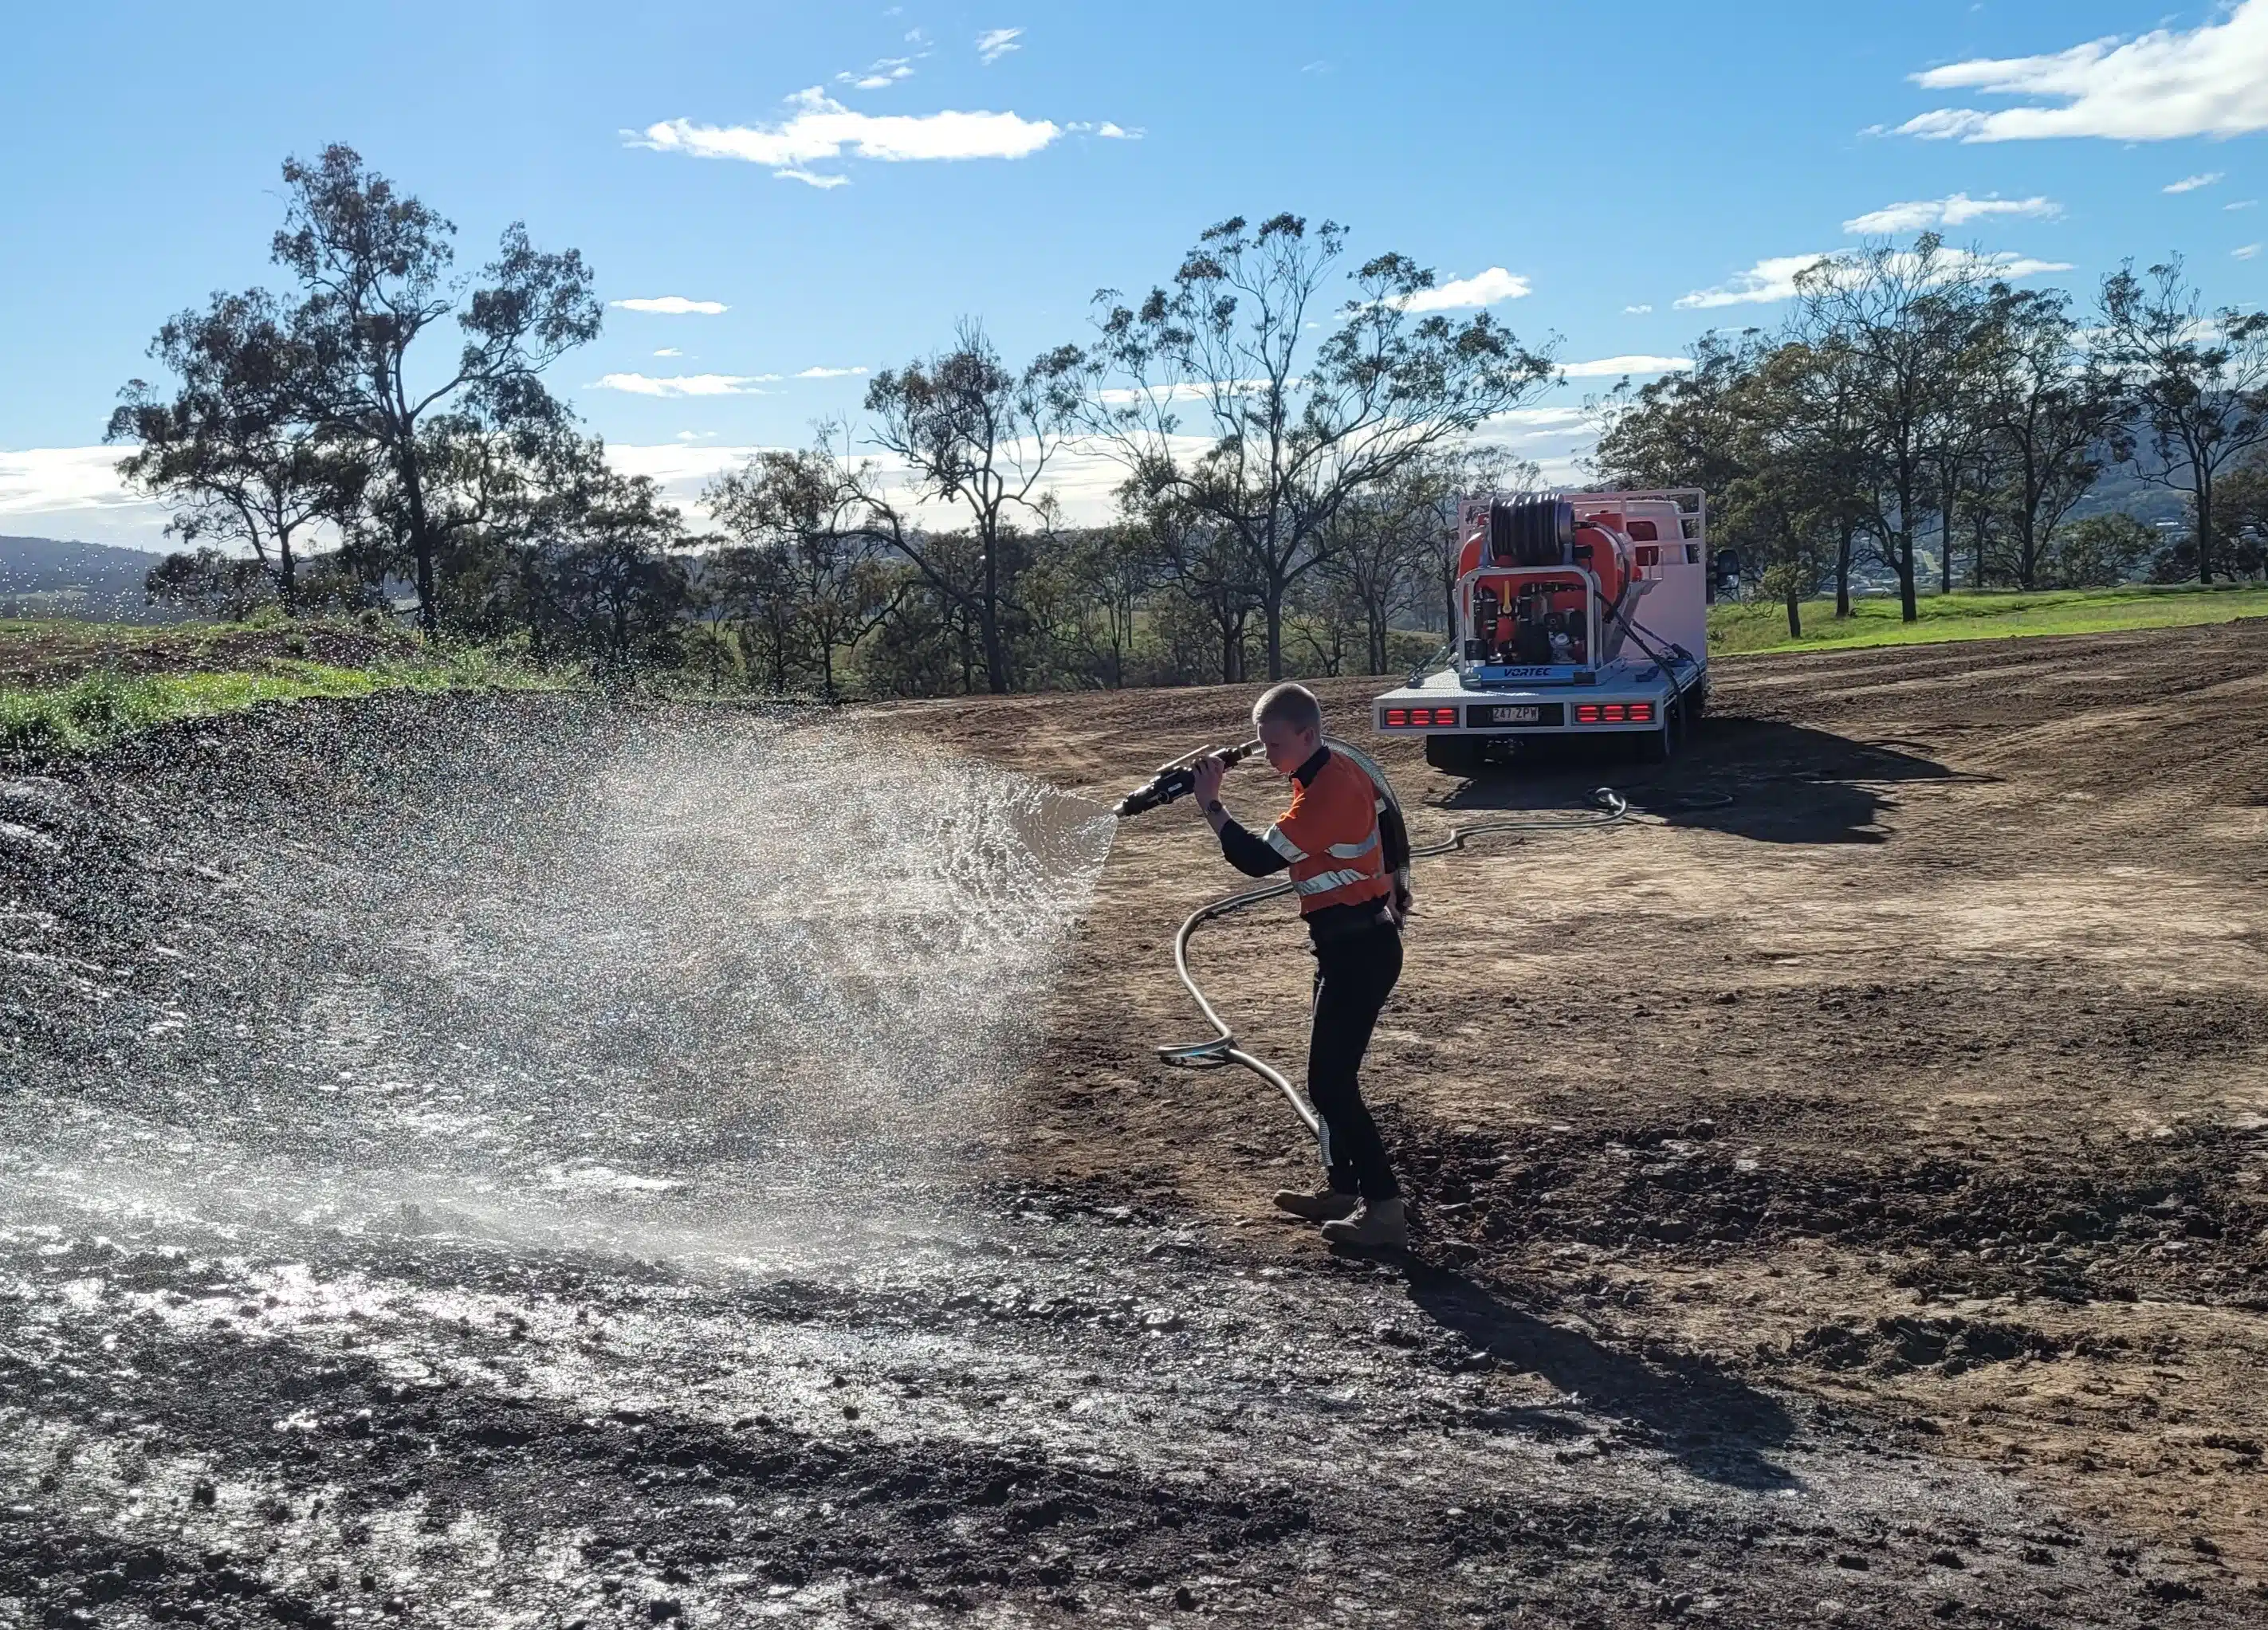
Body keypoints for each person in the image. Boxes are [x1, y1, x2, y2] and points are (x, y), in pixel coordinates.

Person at [1191, 682, 1413, 1248]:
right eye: (1261, 744)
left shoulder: (1324, 794)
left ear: (1307, 734)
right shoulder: (1323, 771)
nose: (1266, 755)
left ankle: (1384, 1207)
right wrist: (1396, 885)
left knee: (1332, 1084)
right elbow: (1386, 818)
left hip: (1359, 951)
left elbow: (1256, 859)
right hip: (1344, 945)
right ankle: (1342, 1189)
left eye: (1273, 745)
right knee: (1326, 1079)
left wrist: (1212, 805)